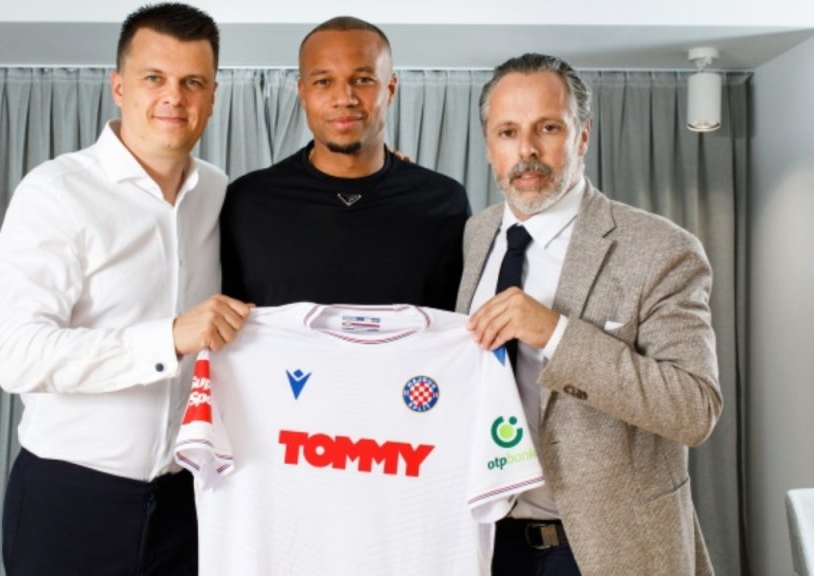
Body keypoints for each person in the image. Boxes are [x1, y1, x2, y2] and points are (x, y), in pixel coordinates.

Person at [0, 4, 250, 575]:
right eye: (154, 78)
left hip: (188, 506)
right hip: (69, 502)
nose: (174, 97)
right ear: (119, 87)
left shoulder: (221, 193)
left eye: (193, 82)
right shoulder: (55, 192)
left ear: (212, 95)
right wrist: (169, 337)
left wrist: (380, 175)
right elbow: (17, 356)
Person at [458, 52, 722, 575]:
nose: (527, 150)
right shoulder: (477, 233)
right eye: (508, 132)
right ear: (489, 146)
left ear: (582, 136)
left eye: (548, 128)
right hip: (486, 543)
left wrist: (556, 334)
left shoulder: (663, 249)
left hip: (607, 550)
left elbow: (695, 409)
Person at [220, 16, 469, 309]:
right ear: (303, 93)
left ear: (390, 89)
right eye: (323, 82)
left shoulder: (445, 201)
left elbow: (466, 321)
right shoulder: (247, 201)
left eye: (363, 80)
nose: (344, 98)